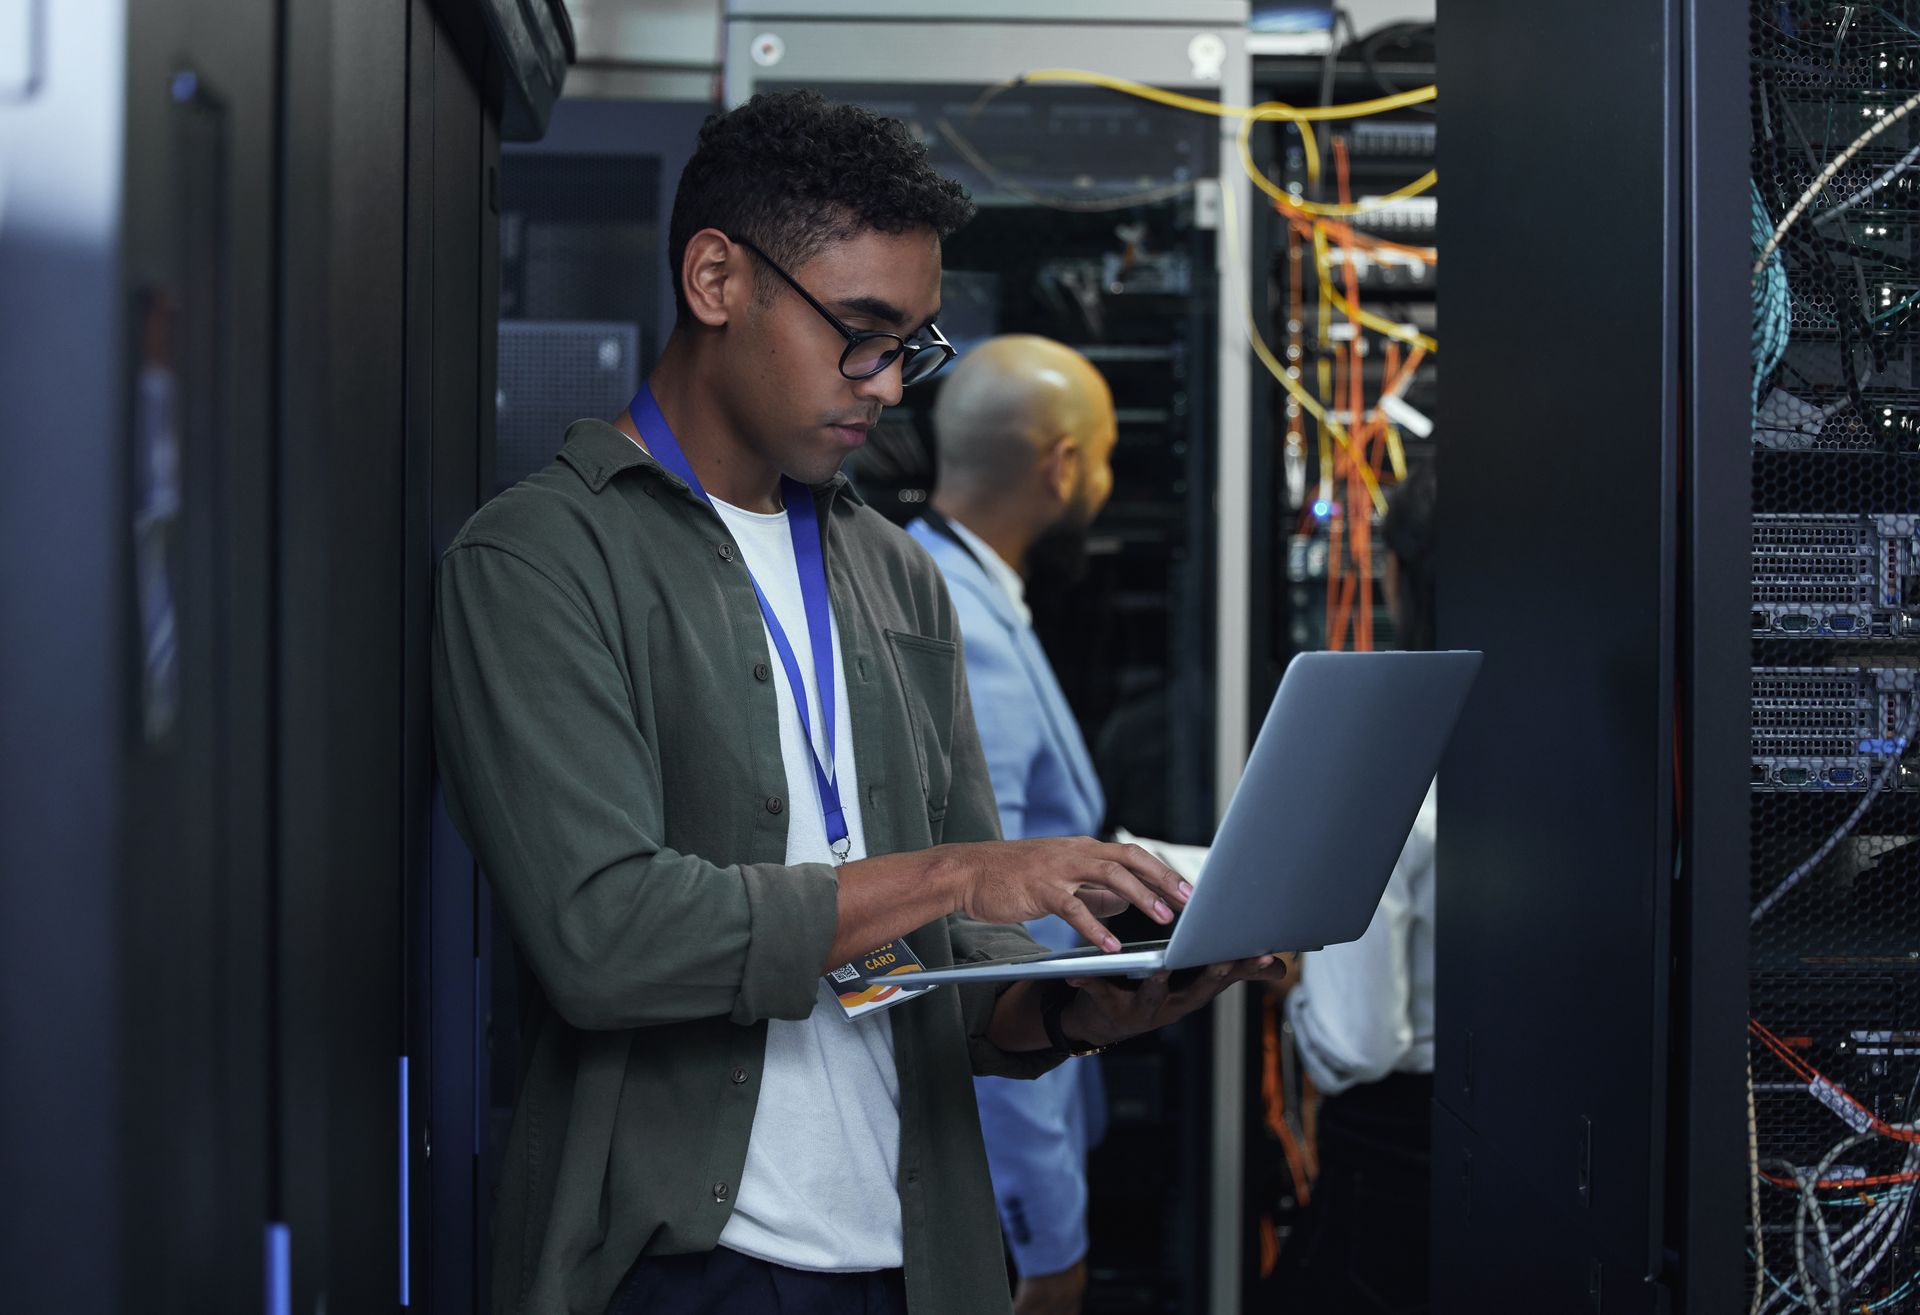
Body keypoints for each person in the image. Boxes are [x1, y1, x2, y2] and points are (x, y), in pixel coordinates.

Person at [432, 90, 1290, 1315]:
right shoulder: (541, 561)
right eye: (862, 334)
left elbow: (936, 986)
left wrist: (1079, 1005)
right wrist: (957, 875)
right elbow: (604, 940)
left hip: (915, 1264)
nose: (888, 385)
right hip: (682, 1276)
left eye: (912, 345)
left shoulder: (895, 575)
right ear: (717, 279)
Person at [907, 336, 1118, 1315]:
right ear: (1062, 465)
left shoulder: (956, 590)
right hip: (994, 1167)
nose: (1106, 484)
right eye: (1104, 459)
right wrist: (1048, 1235)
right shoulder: (963, 626)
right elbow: (993, 943)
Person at [1273, 459, 1438, 1313]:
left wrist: (1293, 977)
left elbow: (1358, 1041)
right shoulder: (1599, 739)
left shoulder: (1376, 761)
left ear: (1398, 573)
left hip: (1400, 1169)